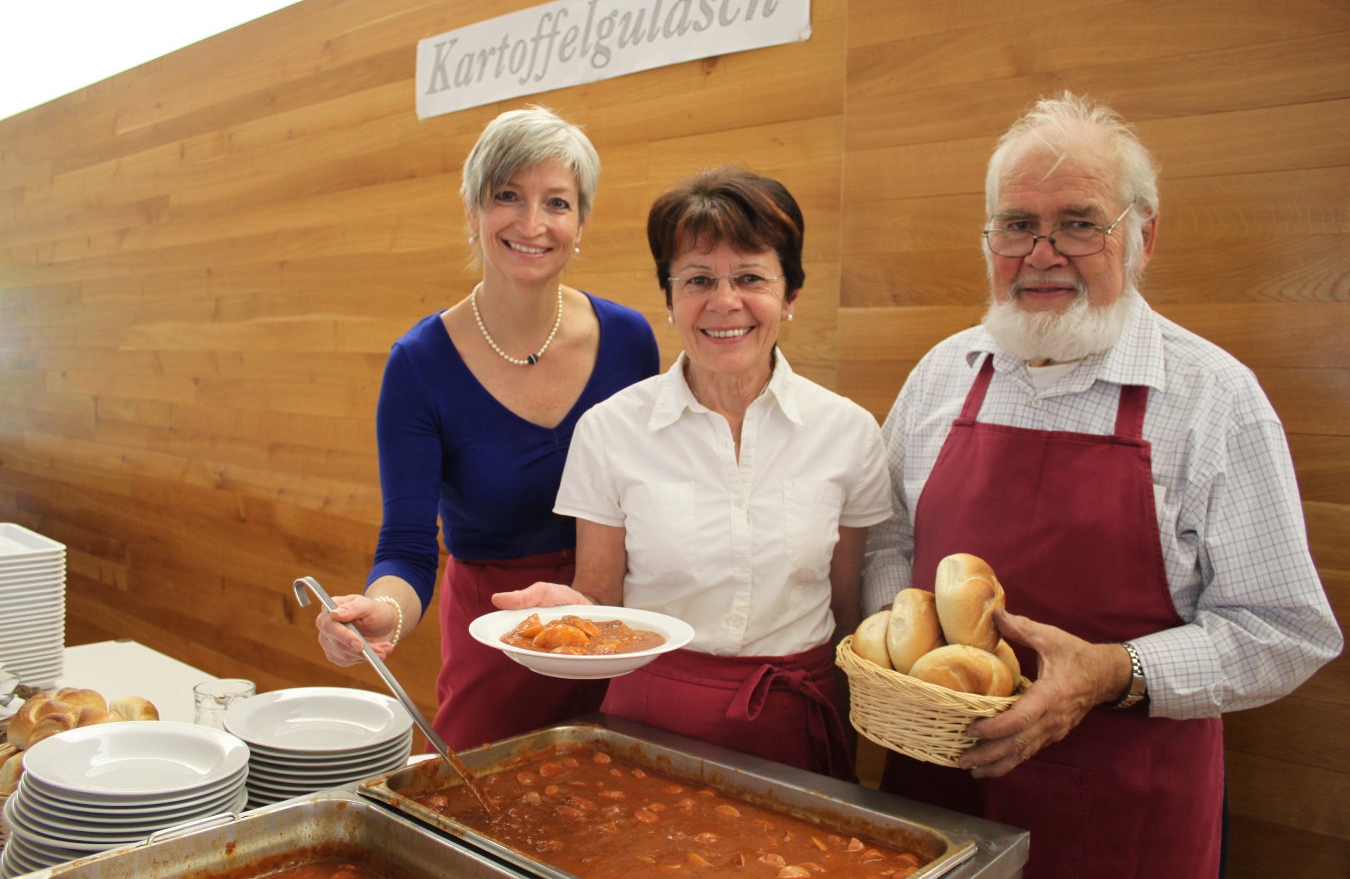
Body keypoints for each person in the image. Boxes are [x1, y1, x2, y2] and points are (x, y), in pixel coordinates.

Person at [862, 92, 1343, 879]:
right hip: (940, 796)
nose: (1042, 253)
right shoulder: (943, 374)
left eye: (1080, 224)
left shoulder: (1215, 400)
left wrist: (1114, 673)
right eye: (1017, 224)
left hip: (1127, 813)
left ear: (1143, 235)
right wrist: (906, 653)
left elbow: (1286, 630)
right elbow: (888, 537)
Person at [494, 167, 893, 779]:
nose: (724, 302)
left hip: (798, 720)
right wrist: (565, 614)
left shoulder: (850, 432)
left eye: (751, 278)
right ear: (671, 299)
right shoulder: (610, 430)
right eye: (699, 279)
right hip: (651, 716)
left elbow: (845, 612)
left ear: (790, 296)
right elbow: (601, 599)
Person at [313, 107, 659, 750]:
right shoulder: (420, 363)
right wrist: (381, 612)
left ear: (580, 224)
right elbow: (408, 547)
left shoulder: (631, 341)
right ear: (474, 211)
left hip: (617, 635)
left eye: (557, 202)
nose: (532, 223)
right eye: (507, 196)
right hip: (498, 642)